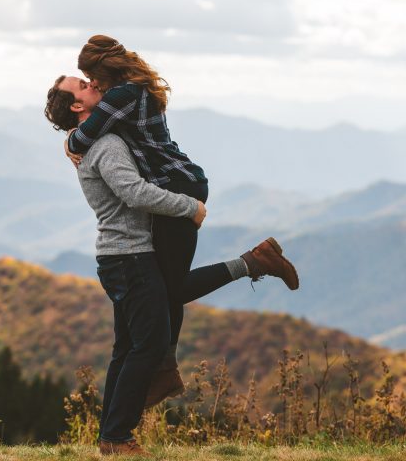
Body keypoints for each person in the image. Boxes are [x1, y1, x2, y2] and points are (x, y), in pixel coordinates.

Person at [44, 75, 298, 457]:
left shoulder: (95, 140)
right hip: (130, 256)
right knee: (147, 346)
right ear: (78, 106)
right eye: (82, 84)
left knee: (128, 348)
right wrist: (189, 207)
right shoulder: (107, 143)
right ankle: (117, 438)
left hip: (119, 257)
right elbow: (133, 191)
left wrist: (70, 141)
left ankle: (111, 438)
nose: (92, 83)